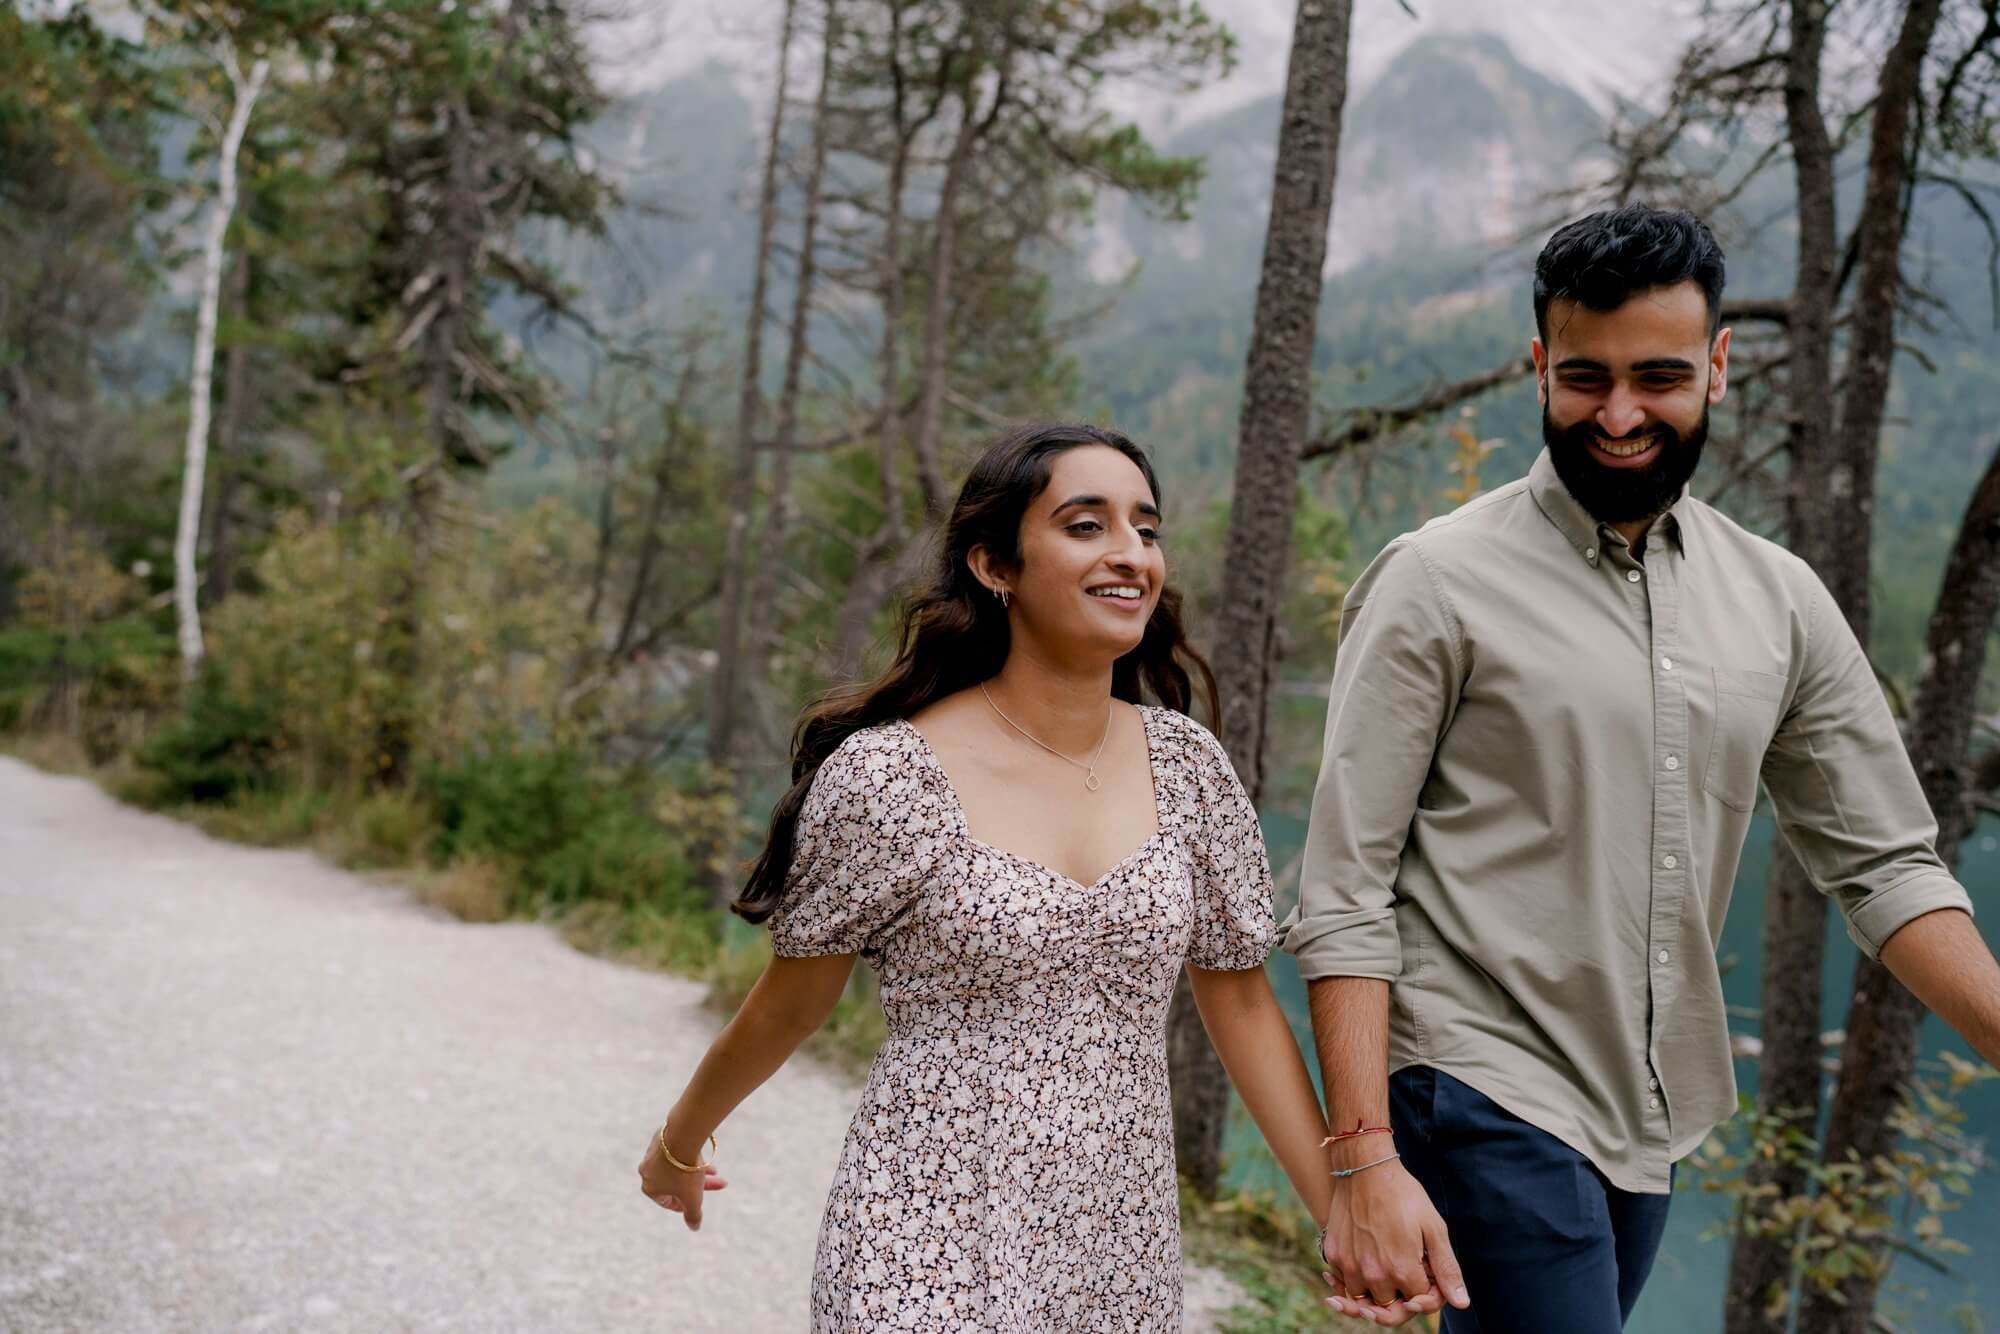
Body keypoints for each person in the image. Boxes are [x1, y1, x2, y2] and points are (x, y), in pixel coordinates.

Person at [1288, 204, 2000, 1331]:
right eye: (1583, 377)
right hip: (1476, 1081)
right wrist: (1362, 1158)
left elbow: (1886, 868)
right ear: (1536, 368)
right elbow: (1340, 891)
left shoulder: (1776, 597)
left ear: (1717, 366)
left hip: (1650, 1110)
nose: (1618, 414)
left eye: (1658, 376)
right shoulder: (1433, 579)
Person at [639, 423, 1345, 1330]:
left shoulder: (1189, 770)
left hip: (1117, 1259)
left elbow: (1243, 1004)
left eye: (1146, 528)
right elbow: (792, 1002)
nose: (1131, 555)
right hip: (922, 1241)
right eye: (1086, 526)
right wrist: (679, 1142)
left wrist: (1342, 1218)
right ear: (994, 565)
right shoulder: (891, 777)